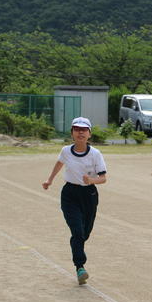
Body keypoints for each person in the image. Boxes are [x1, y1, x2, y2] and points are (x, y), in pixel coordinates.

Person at [42, 117, 107, 285]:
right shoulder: (66, 151)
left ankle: (78, 250)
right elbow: (59, 163)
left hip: (89, 195)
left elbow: (103, 178)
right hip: (70, 195)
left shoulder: (95, 154)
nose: (80, 133)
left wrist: (91, 181)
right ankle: (80, 267)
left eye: (84, 130)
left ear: (89, 134)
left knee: (85, 233)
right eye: (77, 129)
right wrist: (49, 180)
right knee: (77, 231)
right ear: (72, 133)